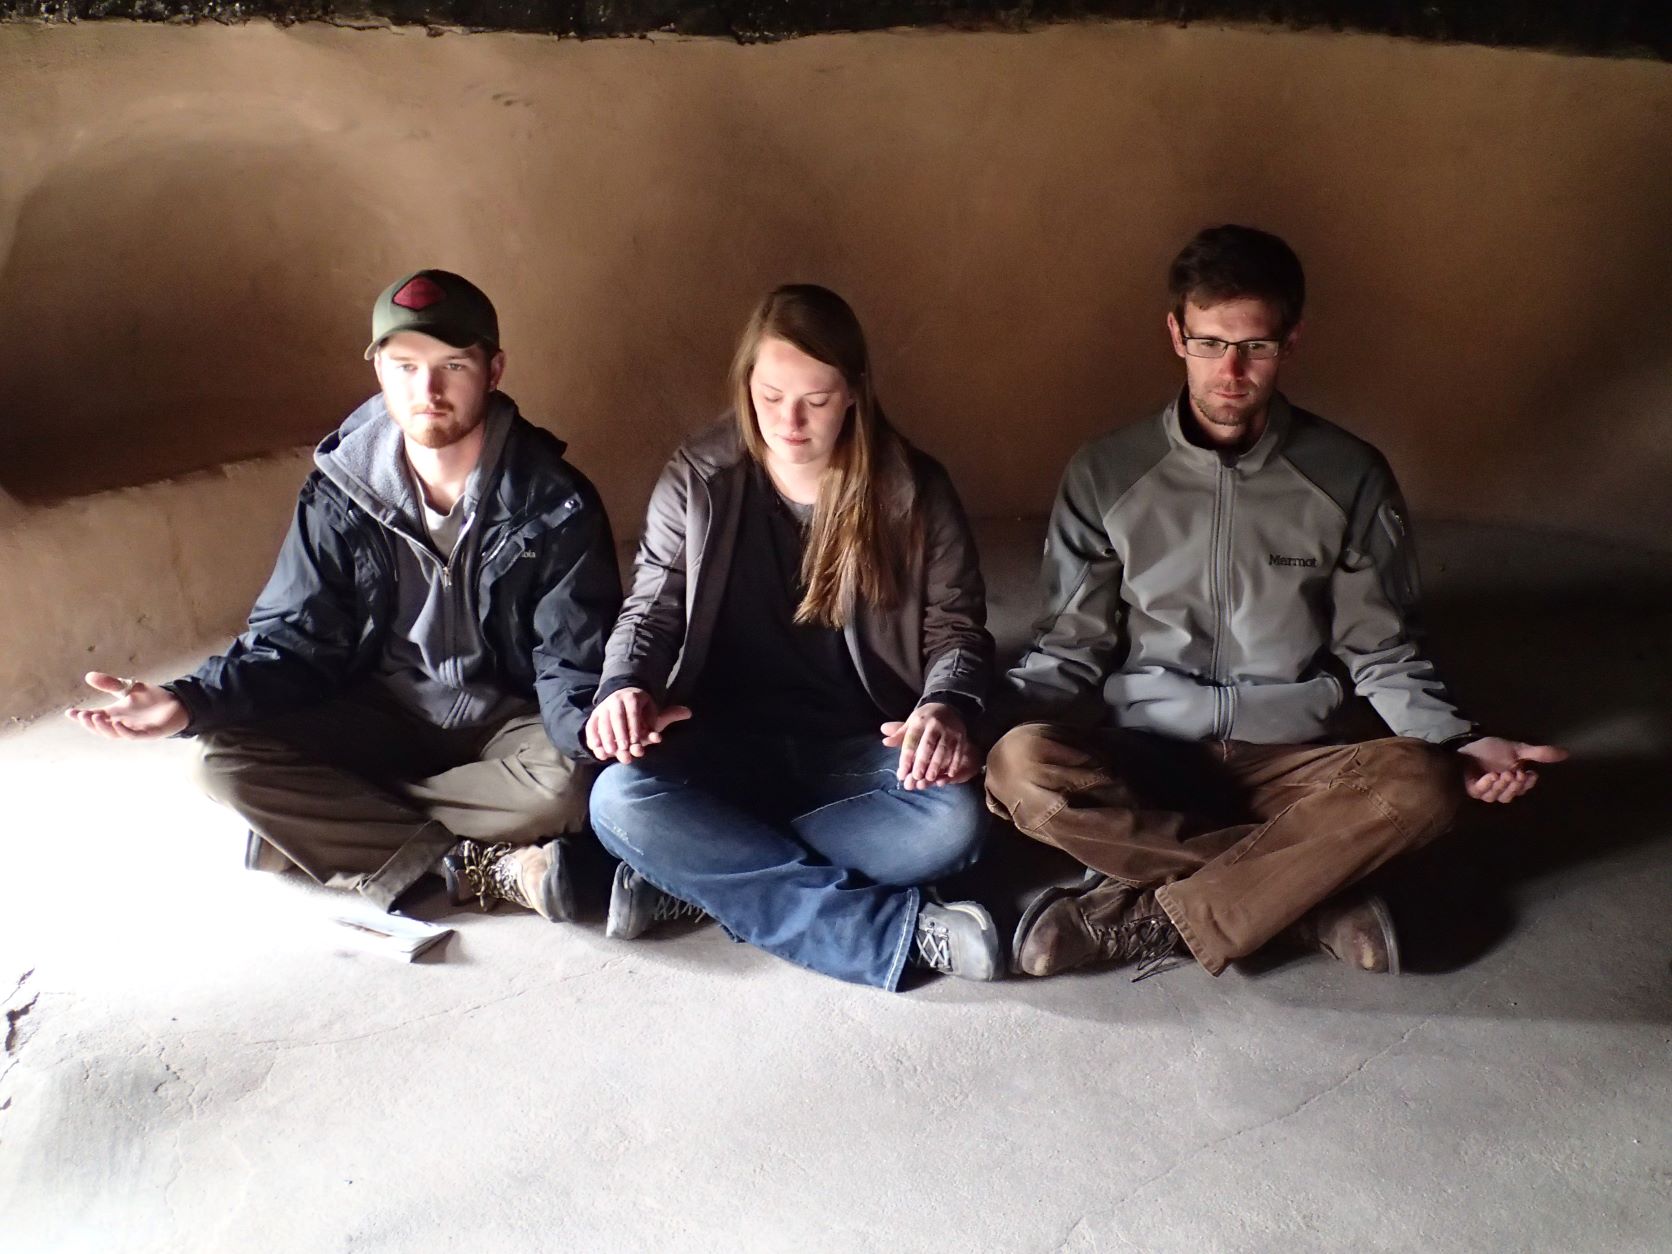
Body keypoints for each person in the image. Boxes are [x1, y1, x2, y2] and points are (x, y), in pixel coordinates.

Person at [986, 225, 1567, 980]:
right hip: (1153, 751)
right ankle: (1308, 897)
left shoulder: (1348, 474)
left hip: (1298, 757)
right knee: (1017, 766)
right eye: (1209, 343)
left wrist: (1457, 739)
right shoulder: (1107, 470)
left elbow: (1382, 647)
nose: (1230, 371)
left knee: (1424, 786)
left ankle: (1156, 916)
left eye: (1255, 347)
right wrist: (971, 718)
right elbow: (1071, 645)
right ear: (1176, 334)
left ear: (1291, 343)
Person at [67, 269, 621, 921]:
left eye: (453, 365)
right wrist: (189, 699)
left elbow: (570, 657)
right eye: (406, 366)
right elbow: (292, 638)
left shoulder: (554, 500)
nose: (429, 389)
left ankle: (332, 829)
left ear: (493, 370)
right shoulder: (339, 491)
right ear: (379, 370)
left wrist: (598, 725)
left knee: (569, 788)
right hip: (379, 705)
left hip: (506, 715)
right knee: (217, 761)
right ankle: (479, 867)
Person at [585, 284, 1001, 988]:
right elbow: (649, 611)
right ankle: (887, 931)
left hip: (858, 751)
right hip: (722, 745)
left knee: (955, 820)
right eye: (771, 395)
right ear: (747, 384)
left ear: (854, 396)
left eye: (817, 398)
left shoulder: (913, 489)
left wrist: (944, 707)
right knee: (618, 799)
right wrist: (622, 688)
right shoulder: (699, 478)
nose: (790, 420)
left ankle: (698, 874)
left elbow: (956, 629)